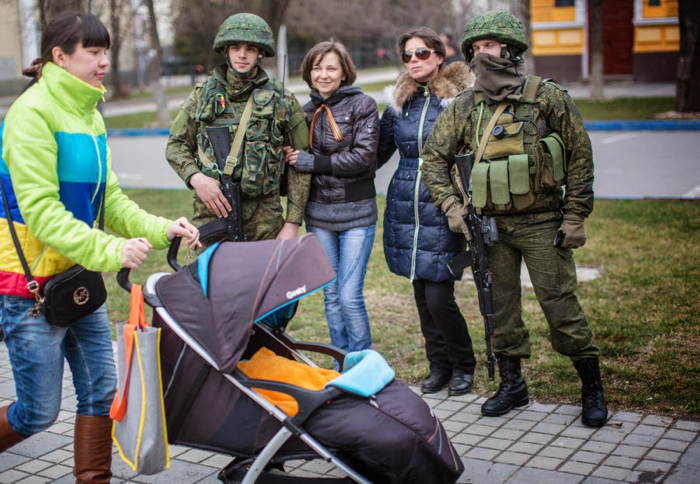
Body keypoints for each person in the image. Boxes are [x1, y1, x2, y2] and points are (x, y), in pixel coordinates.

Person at [0, 11, 200, 481]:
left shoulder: (88, 114)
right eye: (93, 51)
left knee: (102, 393)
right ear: (59, 56)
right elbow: (42, 212)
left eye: (106, 51)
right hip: (28, 287)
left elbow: (108, 199)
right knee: (38, 412)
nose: (104, 61)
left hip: (77, 279)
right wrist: (110, 252)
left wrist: (159, 228)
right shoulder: (31, 115)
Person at [420, 11, 608, 427]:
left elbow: (580, 157)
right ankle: (512, 384)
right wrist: (454, 209)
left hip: (544, 223)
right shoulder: (466, 106)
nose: (480, 54)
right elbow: (433, 158)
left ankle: (591, 386)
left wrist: (575, 217)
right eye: (474, 49)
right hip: (491, 228)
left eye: (487, 46)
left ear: (510, 49)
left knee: (560, 307)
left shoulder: (547, 97)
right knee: (500, 309)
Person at [377, 27, 476, 396]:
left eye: (422, 53)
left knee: (439, 296)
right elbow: (377, 152)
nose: (415, 61)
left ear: (439, 55)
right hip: (406, 204)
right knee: (421, 294)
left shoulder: (459, 100)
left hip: (444, 205)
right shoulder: (399, 103)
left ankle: (464, 365)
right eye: (408, 55)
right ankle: (439, 366)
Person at [166, 13, 310, 242]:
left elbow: (301, 162)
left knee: (265, 277)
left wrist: (293, 222)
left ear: (260, 52)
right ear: (226, 50)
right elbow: (175, 144)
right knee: (207, 276)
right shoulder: (202, 95)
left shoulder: (281, 98)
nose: (242, 55)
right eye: (235, 47)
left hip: (265, 217)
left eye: (250, 49)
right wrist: (196, 178)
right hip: (213, 210)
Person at [284, 41, 379, 353]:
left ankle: (362, 363)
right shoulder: (305, 112)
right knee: (332, 296)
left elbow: (364, 158)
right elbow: (295, 162)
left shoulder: (362, 105)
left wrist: (314, 162)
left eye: (330, 68)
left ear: (343, 73)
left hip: (356, 214)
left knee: (350, 296)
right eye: (317, 67)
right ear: (309, 73)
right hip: (320, 216)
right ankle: (341, 361)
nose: (323, 74)